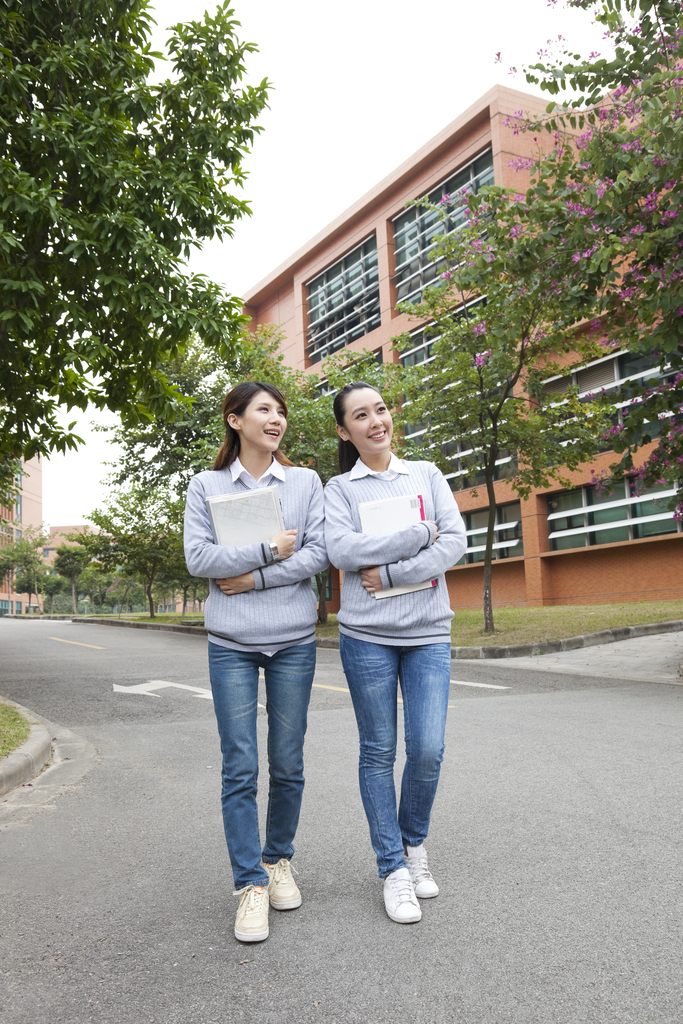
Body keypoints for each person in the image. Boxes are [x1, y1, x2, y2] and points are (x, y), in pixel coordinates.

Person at [184, 381, 328, 944]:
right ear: (235, 420)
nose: (276, 419)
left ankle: (277, 860)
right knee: (239, 766)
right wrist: (269, 549)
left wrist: (252, 576)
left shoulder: (306, 483)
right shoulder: (207, 485)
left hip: (292, 639)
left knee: (287, 762)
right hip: (232, 644)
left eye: (280, 412)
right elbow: (200, 558)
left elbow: (318, 553)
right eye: (264, 410)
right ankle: (249, 884)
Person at [324, 381, 466, 924]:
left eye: (380, 409)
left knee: (427, 749)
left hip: (429, 630)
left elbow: (453, 541)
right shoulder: (340, 491)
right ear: (345, 430)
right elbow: (342, 550)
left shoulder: (426, 474)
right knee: (378, 751)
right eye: (361, 416)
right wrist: (416, 534)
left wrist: (391, 571)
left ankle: (413, 845)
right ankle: (392, 869)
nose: (376, 421)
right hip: (367, 636)